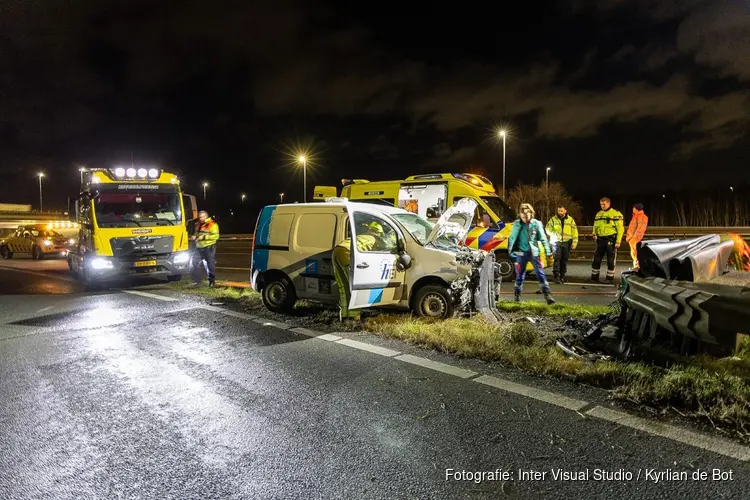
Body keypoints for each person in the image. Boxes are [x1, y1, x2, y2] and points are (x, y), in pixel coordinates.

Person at [507, 203, 555, 305]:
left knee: (540, 274)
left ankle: (548, 296)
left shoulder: (536, 224)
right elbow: (511, 238)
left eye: (527, 217)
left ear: (531, 214)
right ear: (520, 215)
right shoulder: (516, 224)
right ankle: (517, 297)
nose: (525, 219)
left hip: (534, 253)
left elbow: (543, 238)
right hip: (521, 253)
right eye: (523, 217)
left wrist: (548, 252)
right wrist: (511, 252)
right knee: (520, 275)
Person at [332, 224, 380, 321]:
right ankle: (355, 318)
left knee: (343, 286)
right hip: (347, 253)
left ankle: (344, 316)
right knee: (354, 287)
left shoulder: (361, 236)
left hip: (337, 251)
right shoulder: (374, 239)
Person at [591, 197, 624, 283]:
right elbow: (595, 226)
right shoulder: (598, 214)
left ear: (609, 203)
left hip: (611, 239)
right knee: (597, 259)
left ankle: (609, 278)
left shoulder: (615, 213)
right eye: (601, 204)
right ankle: (594, 277)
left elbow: (620, 229)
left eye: (604, 204)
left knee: (610, 260)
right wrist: (594, 233)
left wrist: (618, 241)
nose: (602, 206)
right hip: (600, 240)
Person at [545, 205, 579, 284]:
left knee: (564, 260)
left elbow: (574, 232)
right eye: (559, 211)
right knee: (557, 259)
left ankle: (562, 276)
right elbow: (547, 229)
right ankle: (556, 276)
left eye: (561, 211)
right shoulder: (553, 219)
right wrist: (554, 234)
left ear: (565, 211)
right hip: (557, 242)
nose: (560, 212)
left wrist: (574, 243)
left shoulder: (570, 220)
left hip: (567, 242)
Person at [190, 210, 220, 286]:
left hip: (209, 247)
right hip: (199, 247)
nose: (200, 218)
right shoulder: (199, 224)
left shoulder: (212, 224)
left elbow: (216, 236)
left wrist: (203, 237)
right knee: (193, 262)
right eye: (199, 217)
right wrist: (194, 236)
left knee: (210, 264)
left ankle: (211, 281)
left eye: (201, 217)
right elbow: (197, 233)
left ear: (206, 216)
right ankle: (197, 280)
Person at [626, 202, 648, 269]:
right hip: (632, 238)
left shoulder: (641, 216)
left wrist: (634, 237)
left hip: (635, 238)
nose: (633, 209)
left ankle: (637, 266)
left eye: (634, 208)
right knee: (634, 253)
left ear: (636, 209)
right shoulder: (636, 216)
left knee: (636, 253)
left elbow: (640, 228)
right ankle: (636, 266)